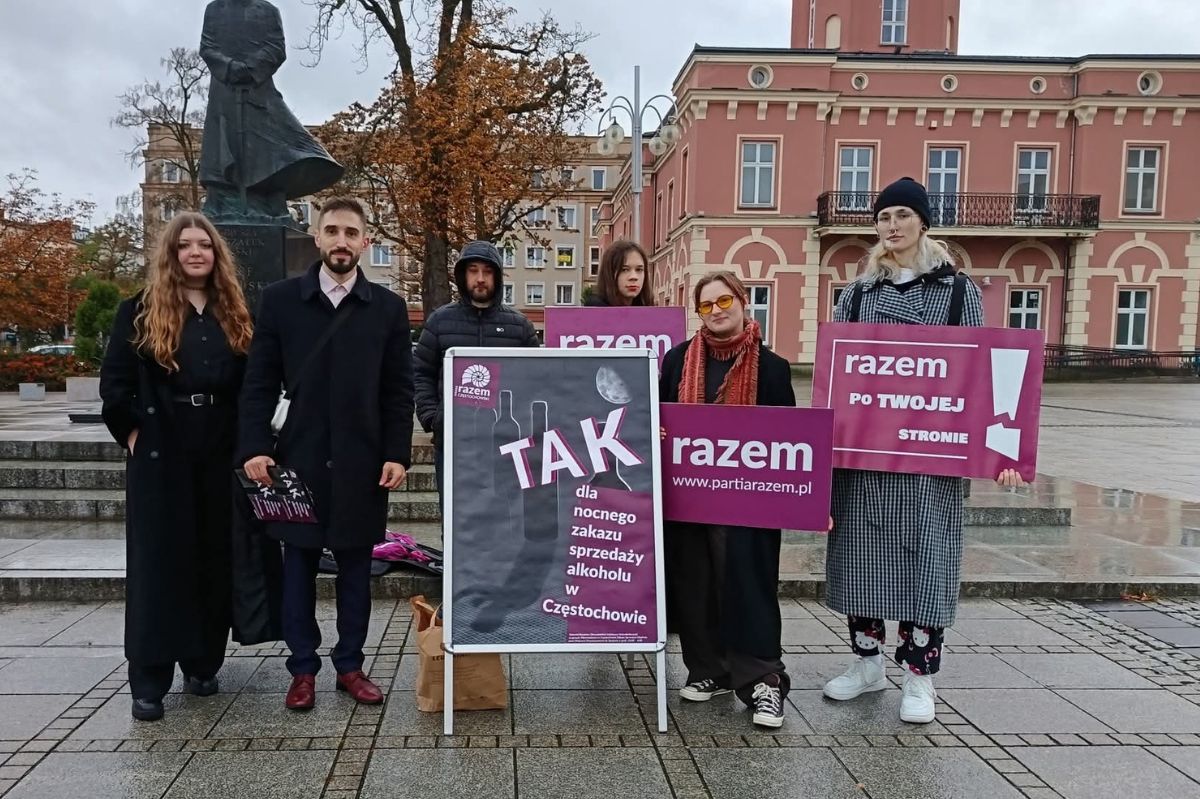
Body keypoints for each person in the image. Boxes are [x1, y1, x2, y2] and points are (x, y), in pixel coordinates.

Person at [824, 177, 1025, 724]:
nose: (891, 226)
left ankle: (920, 675)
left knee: (926, 564)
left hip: (929, 458)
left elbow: (982, 376)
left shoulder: (958, 292)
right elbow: (840, 371)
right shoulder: (858, 293)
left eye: (902, 216)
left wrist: (1004, 451)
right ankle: (867, 665)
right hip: (865, 455)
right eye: (883, 216)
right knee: (860, 559)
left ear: (923, 221)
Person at [237, 197, 414, 711]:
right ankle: (302, 668)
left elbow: (397, 391)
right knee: (299, 566)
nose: (341, 240)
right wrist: (253, 445)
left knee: (358, 568)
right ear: (317, 237)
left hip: (362, 463)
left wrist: (397, 453)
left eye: (351, 232)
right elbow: (259, 382)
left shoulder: (387, 308)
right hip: (299, 460)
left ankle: (351, 665)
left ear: (365, 242)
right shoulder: (281, 301)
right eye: (331, 230)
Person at [100, 212, 255, 721]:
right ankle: (149, 676)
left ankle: (202, 661)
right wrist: (132, 432)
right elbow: (115, 385)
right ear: (171, 253)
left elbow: (250, 382)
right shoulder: (139, 310)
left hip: (218, 446)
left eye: (204, 245)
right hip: (163, 448)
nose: (195, 252)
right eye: (186, 244)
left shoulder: (232, 312)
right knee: (159, 563)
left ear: (216, 255)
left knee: (212, 554)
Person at [659, 270, 796, 729]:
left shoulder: (772, 368)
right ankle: (709, 670)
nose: (716, 312)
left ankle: (764, 681)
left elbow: (793, 442)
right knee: (695, 582)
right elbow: (658, 416)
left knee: (747, 583)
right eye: (705, 306)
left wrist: (812, 501)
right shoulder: (678, 361)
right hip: (689, 498)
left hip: (749, 503)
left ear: (742, 302)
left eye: (724, 302)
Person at [412, 240, 540, 507]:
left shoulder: (520, 327)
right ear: (462, 275)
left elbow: (536, 381)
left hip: (507, 443)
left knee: (506, 516)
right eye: (473, 270)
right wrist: (433, 418)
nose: (480, 279)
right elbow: (421, 373)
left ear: (498, 276)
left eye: (487, 271)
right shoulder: (440, 321)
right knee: (457, 518)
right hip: (454, 444)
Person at [586, 240, 655, 307]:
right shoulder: (596, 309)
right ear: (609, 273)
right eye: (624, 270)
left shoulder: (647, 308)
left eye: (639, 269)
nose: (634, 277)